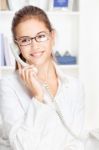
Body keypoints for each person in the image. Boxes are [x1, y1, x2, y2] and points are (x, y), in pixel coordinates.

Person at [0, 5, 85, 150]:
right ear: (17, 47)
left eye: (40, 36)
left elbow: (75, 142)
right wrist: (38, 97)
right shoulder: (7, 86)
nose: (34, 46)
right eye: (25, 40)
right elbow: (21, 146)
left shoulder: (74, 86)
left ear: (52, 37)